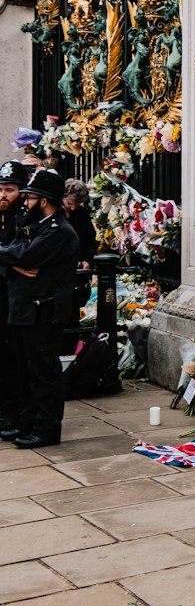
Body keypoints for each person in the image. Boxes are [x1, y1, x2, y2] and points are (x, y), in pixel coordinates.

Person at [0, 169, 80, 448]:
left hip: (42, 312)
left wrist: (13, 258)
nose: (25, 202)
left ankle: (46, 429)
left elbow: (25, 254)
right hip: (24, 310)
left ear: (44, 200)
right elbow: (12, 248)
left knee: (44, 373)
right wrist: (12, 260)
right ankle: (27, 421)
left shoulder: (59, 231)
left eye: (30, 198)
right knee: (26, 372)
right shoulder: (37, 225)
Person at [0, 160, 31, 432]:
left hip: (16, 298)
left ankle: (13, 413)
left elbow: (26, 254)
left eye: (9, 190)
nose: (3, 195)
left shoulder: (26, 217)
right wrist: (8, 262)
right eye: (1, 189)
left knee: (14, 359)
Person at [63, 178, 97, 310]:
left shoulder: (81, 213)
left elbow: (90, 238)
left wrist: (87, 259)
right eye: (70, 203)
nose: (73, 207)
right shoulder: (55, 212)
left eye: (77, 204)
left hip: (78, 268)